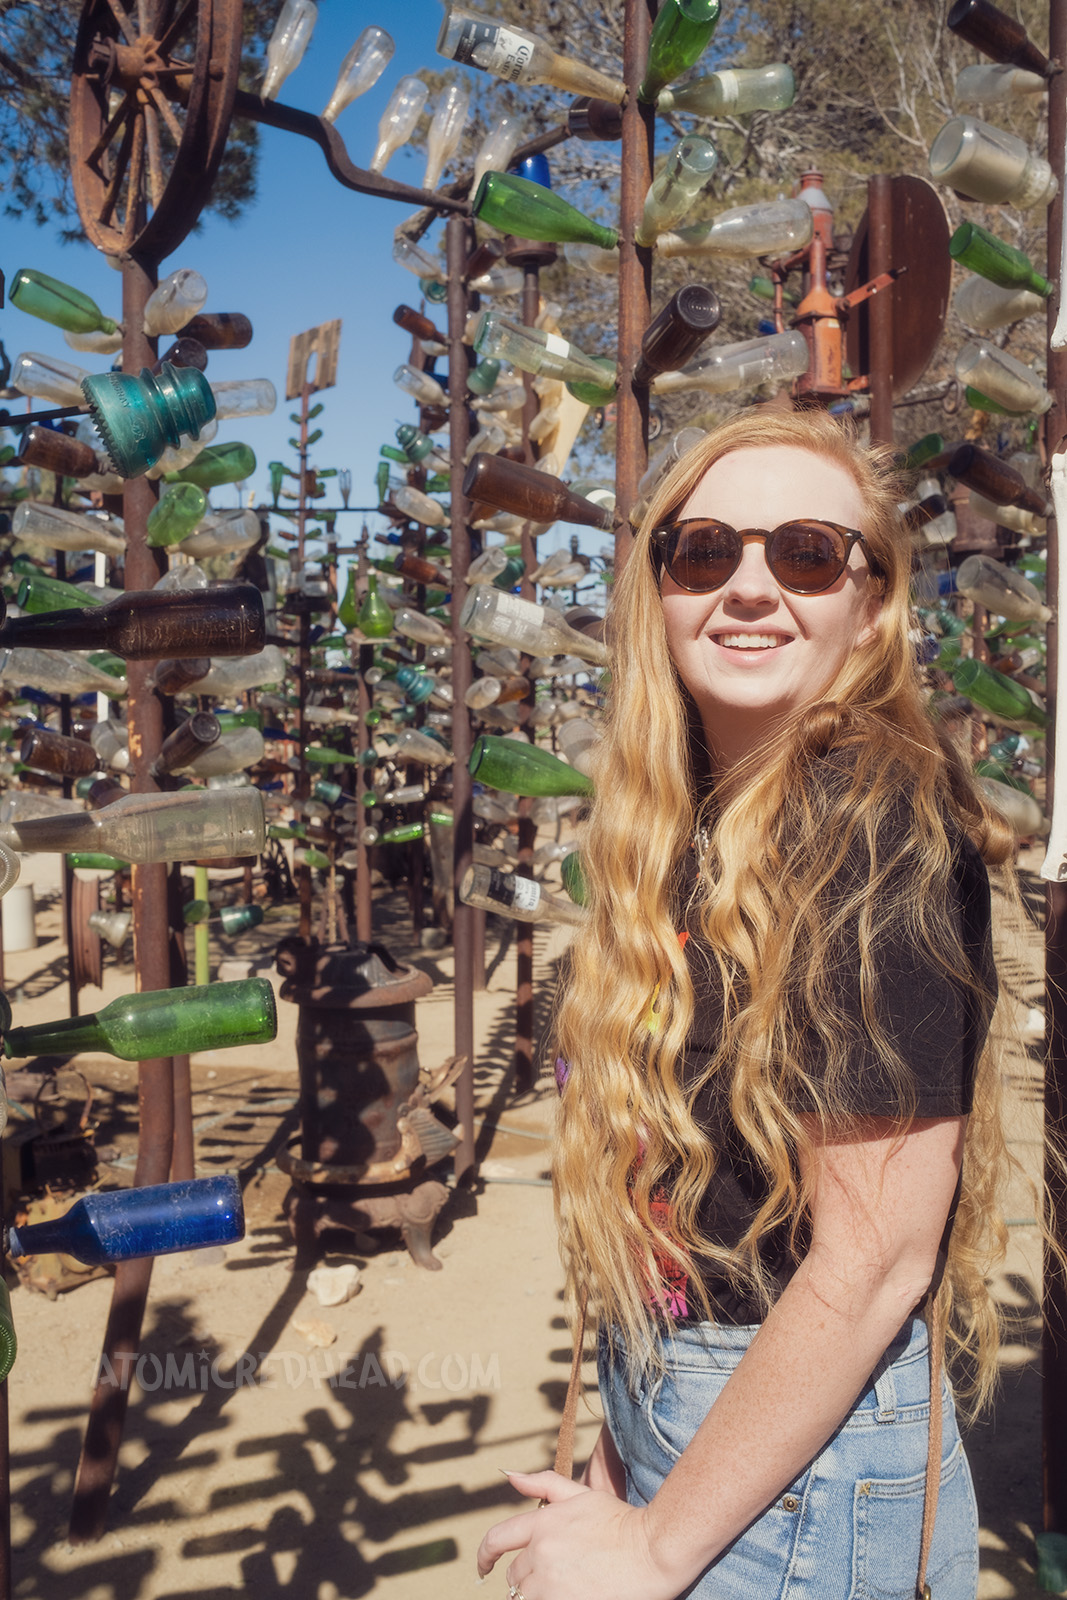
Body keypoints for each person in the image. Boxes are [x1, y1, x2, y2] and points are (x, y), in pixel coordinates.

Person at [477, 409, 1018, 1600]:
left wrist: (652, 1547)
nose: (751, 586)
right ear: (658, 588)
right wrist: (629, 1454)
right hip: (710, 1419)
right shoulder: (692, 819)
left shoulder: (875, 824)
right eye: (707, 550)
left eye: (809, 553)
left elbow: (874, 1257)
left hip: (804, 1475)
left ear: (869, 607)